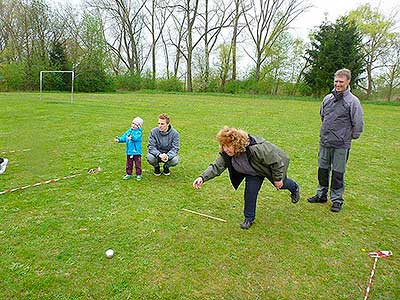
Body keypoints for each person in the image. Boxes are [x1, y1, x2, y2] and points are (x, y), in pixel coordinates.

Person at [193, 127, 300, 230]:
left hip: (270, 167)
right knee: (250, 192)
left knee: (281, 184)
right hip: (253, 172)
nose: (226, 149)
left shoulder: (256, 148)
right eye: (223, 146)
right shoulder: (227, 153)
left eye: (228, 146)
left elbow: (276, 161)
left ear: (236, 144)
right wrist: (202, 178)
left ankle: (294, 188)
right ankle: (249, 218)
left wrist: (278, 179)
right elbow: (216, 167)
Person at [308, 68, 364, 212]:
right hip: (325, 141)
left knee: (338, 173)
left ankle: (337, 200)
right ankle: (321, 195)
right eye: (336, 81)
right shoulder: (328, 99)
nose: (338, 84)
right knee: (322, 170)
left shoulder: (353, 102)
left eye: (341, 82)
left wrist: (350, 136)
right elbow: (323, 116)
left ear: (348, 82)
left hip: (341, 144)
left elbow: (357, 123)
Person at [114, 117, 144, 181]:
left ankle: (138, 174)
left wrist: (132, 137)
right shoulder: (129, 131)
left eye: (135, 124)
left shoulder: (139, 132)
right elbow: (124, 137)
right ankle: (128, 174)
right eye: (133, 123)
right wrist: (119, 139)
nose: (133, 125)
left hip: (136, 152)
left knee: (137, 164)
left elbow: (136, 138)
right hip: (129, 151)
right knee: (129, 163)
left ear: (138, 126)